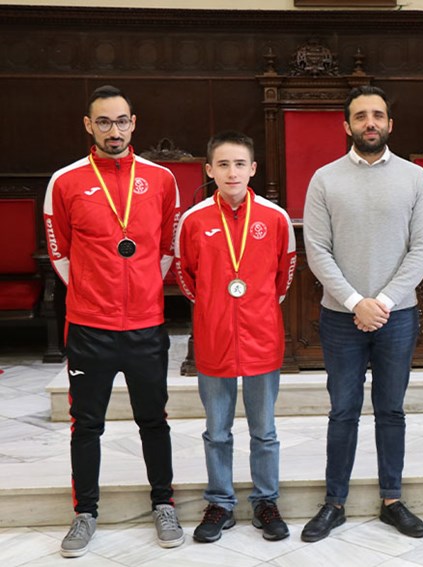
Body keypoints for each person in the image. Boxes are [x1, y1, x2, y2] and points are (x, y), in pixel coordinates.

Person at [44, 85, 184, 557]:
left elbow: (166, 247)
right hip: (90, 325)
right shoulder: (65, 181)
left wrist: (140, 285)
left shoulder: (161, 179)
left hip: (146, 324)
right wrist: (93, 290)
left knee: (154, 420)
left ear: (133, 123)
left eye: (121, 121)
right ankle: (85, 512)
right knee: (87, 425)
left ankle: (163, 504)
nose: (114, 130)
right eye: (103, 122)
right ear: (89, 126)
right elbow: (60, 251)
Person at [301, 85, 423, 542]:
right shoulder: (324, 179)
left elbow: (422, 248)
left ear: (390, 124)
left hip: (397, 316)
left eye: (377, 115)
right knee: (343, 411)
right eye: (361, 116)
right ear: (347, 125)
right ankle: (334, 502)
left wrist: (382, 303)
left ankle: (392, 500)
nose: (370, 123)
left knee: (391, 410)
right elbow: (317, 250)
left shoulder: (415, 177)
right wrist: (356, 301)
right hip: (341, 317)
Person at [174, 131, 296, 543]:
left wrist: (255, 307)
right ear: (209, 170)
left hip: (262, 337)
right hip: (214, 338)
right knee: (217, 431)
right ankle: (220, 502)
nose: (232, 172)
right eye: (223, 164)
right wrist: (214, 308)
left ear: (253, 168)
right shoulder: (193, 220)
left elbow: (284, 275)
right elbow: (185, 275)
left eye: (240, 164)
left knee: (264, 431)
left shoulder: (275, 218)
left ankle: (266, 501)